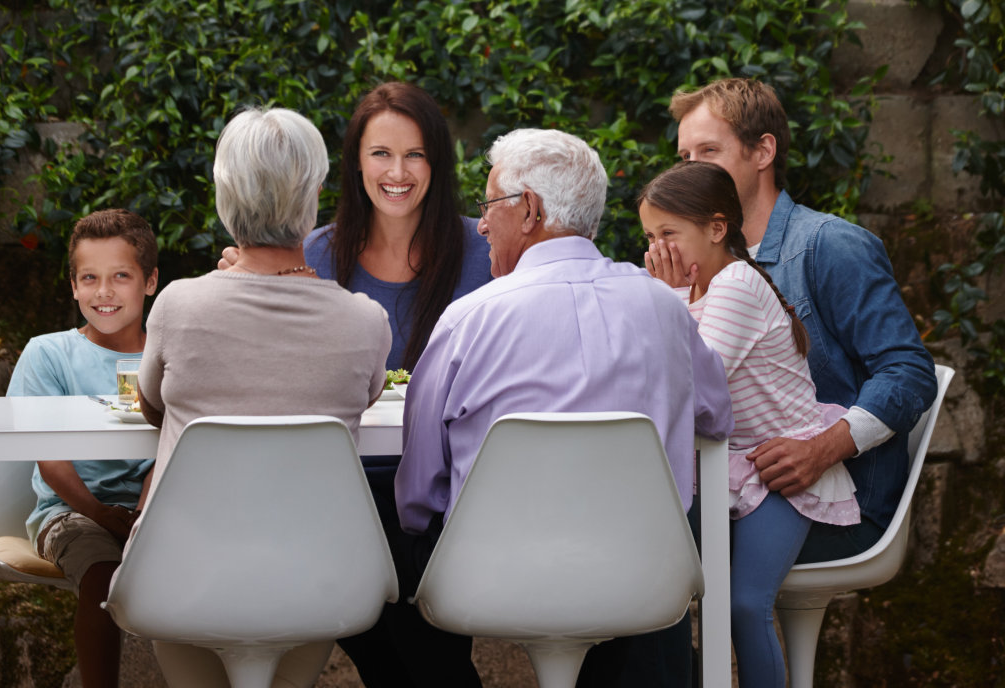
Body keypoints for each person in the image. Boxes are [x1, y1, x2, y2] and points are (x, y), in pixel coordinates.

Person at [341, 127, 733, 688]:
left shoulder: (468, 320)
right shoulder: (661, 308)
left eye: (490, 205)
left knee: (381, 531)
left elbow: (418, 493)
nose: (479, 224)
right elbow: (717, 420)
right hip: (643, 575)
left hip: (488, 576)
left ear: (528, 211)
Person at [135, 106, 392, 688]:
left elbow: (153, 403)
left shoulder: (178, 305)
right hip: (320, 578)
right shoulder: (366, 321)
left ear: (226, 195)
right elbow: (367, 395)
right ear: (315, 195)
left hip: (182, 577)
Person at [670, 76, 938, 561]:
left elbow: (909, 373)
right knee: (636, 514)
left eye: (708, 151)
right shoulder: (697, 262)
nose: (691, 171)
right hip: (735, 489)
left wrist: (822, 450)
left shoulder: (829, 246)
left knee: (652, 534)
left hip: (838, 503)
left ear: (763, 151)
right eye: (684, 158)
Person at [641, 162, 859, 688]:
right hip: (729, 468)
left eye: (670, 234)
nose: (659, 251)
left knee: (743, 603)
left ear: (717, 229)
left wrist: (663, 297)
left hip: (783, 469)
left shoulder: (735, 284)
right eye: (650, 237)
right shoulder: (697, 288)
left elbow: (691, 386)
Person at [6, 208, 159, 688]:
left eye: (121, 276)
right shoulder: (48, 353)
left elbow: (177, 443)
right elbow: (49, 458)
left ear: (150, 281)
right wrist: (98, 511)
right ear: (73, 285)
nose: (104, 292)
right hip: (70, 512)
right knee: (101, 573)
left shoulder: (171, 354)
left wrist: (142, 511)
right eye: (89, 278)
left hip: (159, 507)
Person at [303, 81, 492, 371]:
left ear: (436, 162)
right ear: (357, 160)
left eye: (415, 154)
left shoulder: (490, 249)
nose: (398, 172)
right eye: (381, 153)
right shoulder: (310, 257)